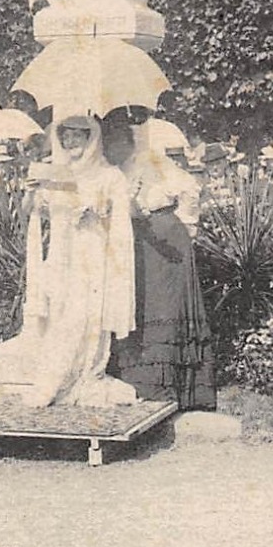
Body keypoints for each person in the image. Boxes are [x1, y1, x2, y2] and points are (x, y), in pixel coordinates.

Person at [0, 115, 137, 408]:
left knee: (86, 316)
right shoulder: (54, 172)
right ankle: (58, 378)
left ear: (91, 140)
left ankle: (85, 375)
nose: (70, 142)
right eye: (66, 136)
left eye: (78, 136)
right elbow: (32, 212)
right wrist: (30, 190)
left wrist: (96, 213)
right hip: (63, 256)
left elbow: (123, 217)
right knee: (61, 317)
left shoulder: (108, 175)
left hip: (92, 253)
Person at [104, 117, 215, 410]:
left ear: (126, 141)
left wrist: (188, 225)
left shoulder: (150, 160)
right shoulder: (114, 171)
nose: (110, 149)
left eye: (114, 142)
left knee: (165, 307)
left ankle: (176, 387)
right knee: (143, 306)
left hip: (166, 237)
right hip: (138, 242)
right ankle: (144, 381)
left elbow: (190, 187)